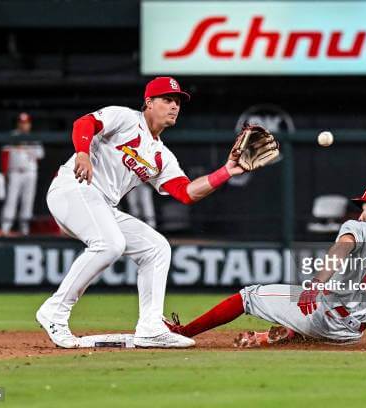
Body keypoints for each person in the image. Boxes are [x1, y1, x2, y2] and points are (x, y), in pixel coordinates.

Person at [36, 77, 250, 349]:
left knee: (157, 248)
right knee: (110, 244)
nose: (174, 106)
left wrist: (226, 171)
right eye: (167, 100)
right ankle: (55, 311)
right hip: (73, 189)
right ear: (149, 103)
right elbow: (85, 123)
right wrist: (82, 154)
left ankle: (150, 327)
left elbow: (186, 192)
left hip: (101, 205)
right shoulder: (126, 118)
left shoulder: (162, 155)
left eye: (177, 102)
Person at [164, 185, 366, 349]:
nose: (362, 209)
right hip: (351, 335)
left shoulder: (358, 228)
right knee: (306, 317)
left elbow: (340, 250)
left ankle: (183, 333)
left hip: (325, 312)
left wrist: (316, 283)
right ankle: (274, 336)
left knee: (248, 296)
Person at [0, 112, 45, 235]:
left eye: (26, 123)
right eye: (21, 122)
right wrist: (5, 173)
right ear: (18, 123)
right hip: (15, 172)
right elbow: (4, 152)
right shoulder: (12, 136)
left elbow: (41, 154)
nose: (24, 125)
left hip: (30, 172)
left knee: (27, 201)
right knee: (11, 200)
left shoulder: (33, 138)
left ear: (29, 124)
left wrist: (27, 148)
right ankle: (5, 228)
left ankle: (24, 230)